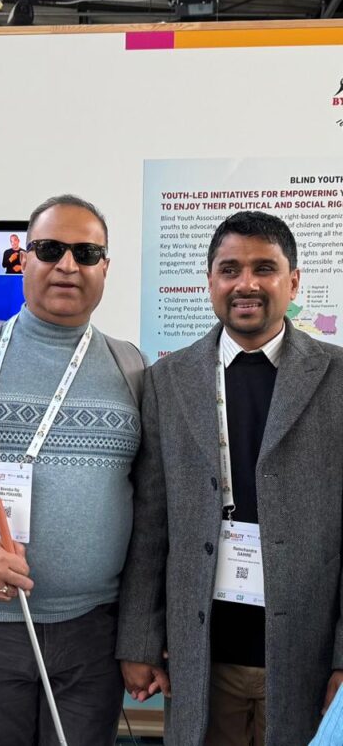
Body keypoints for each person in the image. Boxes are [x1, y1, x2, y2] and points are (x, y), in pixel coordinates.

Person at [0, 195, 145, 745]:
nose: (68, 264)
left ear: (105, 268)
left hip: (94, 631)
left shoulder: (130, 366)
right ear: (24, 259)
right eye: (49, 248)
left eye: (86, 252)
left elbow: (150, 504)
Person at [117, 210, 343, 745]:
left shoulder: (336, 380)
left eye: (264, 268)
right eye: (229, 269)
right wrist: (140, 641)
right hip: (200, 653)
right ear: (210, 281)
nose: (246, 284)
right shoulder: (166, 381)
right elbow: (150, 522)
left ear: (293, 282)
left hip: (306, 654)